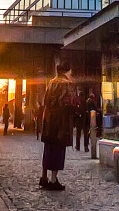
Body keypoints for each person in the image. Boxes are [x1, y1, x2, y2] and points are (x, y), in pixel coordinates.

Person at [39, 63, 74, 191]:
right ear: (67, 71)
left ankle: (44, 177)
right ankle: (53, 179)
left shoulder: (51, 82)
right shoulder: (66, 84)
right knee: (58, 150)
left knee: (48, 149)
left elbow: (45, 101)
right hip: (61, 123)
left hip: (49, 121)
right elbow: (69, 103)